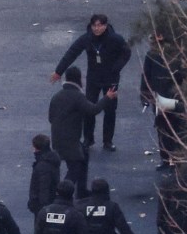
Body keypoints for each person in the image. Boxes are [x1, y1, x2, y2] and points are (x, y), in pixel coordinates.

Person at [51, 13, 131, 151]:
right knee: (88, 108)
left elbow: (126, 53)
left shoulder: (115, 39)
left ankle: (108, 141)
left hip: (111, 78)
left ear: (105, 26)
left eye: (100, 26)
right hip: (93, 78)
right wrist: (59, 71)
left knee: (110, 110)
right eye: (94, 25)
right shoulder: (87, 38)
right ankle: (88, 139)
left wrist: (116, 68)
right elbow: (72, 52)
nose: (96, 29)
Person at [48, 66, 117, 198]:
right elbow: (93, 110)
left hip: (58, 138)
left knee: (84, 155)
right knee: (75, 167)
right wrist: (107, 97)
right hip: (70, 140)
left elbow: (50, 118)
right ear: (78, 79)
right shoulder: (77, 96)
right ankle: (63, 193)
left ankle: (81, 190)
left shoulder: (56, 97)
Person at [140, 30, 187, 170]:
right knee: (173, 128)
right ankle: (173, 159)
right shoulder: (177, 54)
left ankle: (169, 159)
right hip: (172, 97)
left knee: (165, 128)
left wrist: (145, 96)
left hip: (164, 97)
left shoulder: (153, 55)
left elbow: (146, 77)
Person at [28, 134, 61, 216]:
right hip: (51, 199)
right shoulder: (52, 159)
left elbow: (44, 188)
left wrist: (43, 208)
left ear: (36, 148)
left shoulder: (42, 166)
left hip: (41, 206)